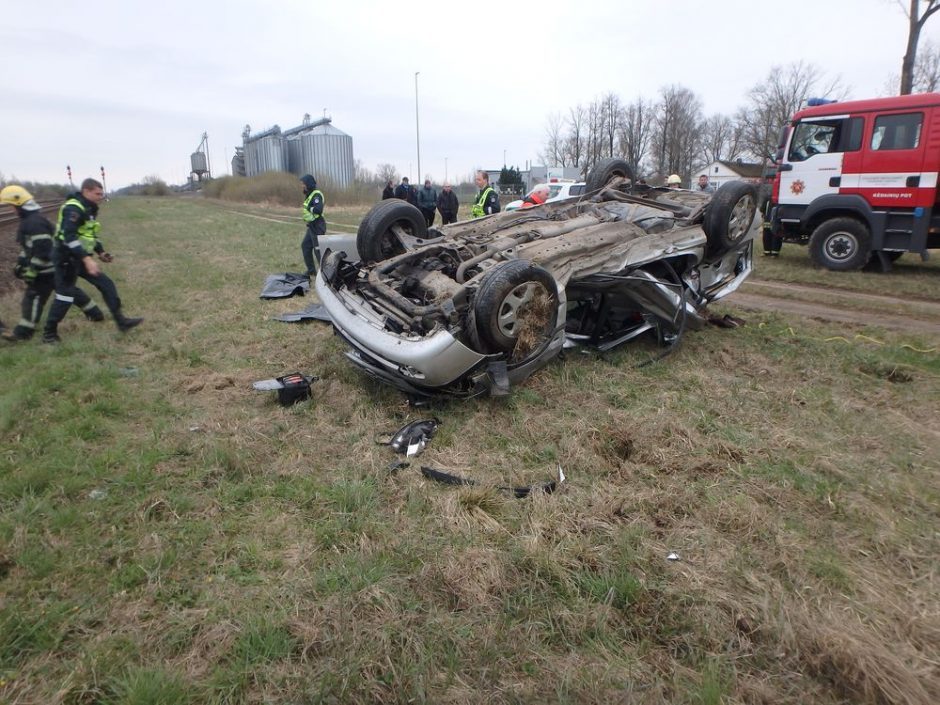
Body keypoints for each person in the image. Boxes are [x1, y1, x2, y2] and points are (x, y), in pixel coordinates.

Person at [43, 178, 142, 343]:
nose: (101, 197)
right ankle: (49, 334)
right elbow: (69, 237)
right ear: (86, 191)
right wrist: (87, 259)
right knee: (65, 296)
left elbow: (88, 235)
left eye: (101, 193)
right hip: (65, 258)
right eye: (98, 193)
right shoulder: (73, 208)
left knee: (106, 284)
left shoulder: (88, 208)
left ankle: (121, 321)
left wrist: (101, 252)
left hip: (79, 257)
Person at [0, 185, 103, 342]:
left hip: (46, 269)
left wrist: (31, 272)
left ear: (20, 206)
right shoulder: (35, 220)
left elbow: (43, 250)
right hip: (58, 265)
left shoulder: (32, 223)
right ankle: (95, 313)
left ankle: (23, 333)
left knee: (33, 297)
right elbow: (29, 247)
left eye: (12, 207)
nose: (11, 210)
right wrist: (21, 262)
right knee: (69, 290)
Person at [300, 174, 325, 276]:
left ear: (308, 184)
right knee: (305, 246)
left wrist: (309, 208)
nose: (302, 186)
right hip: (311, 226)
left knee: (318, 251)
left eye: (303, 184)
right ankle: (311, 271)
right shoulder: (310, 194)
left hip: (317, 226)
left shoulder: (316, 195)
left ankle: (325, 274)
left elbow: (318, 210)